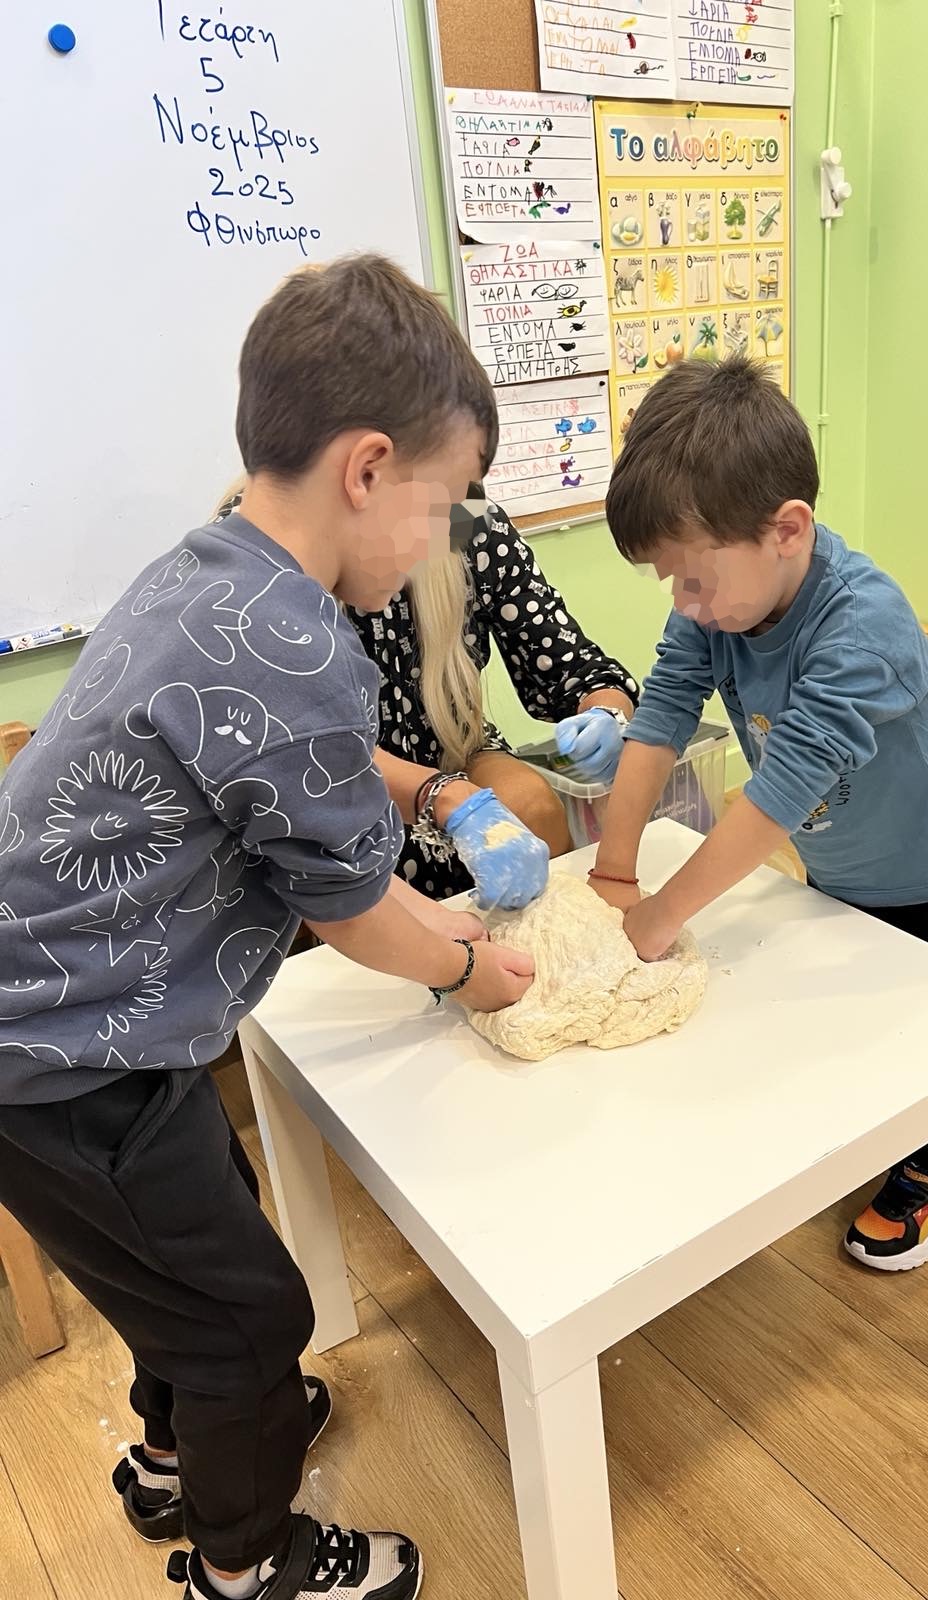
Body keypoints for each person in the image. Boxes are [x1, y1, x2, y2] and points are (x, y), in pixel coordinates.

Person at [0, 255, 537, 1600]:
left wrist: (434, 862)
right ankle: (247, 1564)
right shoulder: (300, 648)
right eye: (439, 507)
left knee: (184, 1255)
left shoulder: (205, 573)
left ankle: (175, 1460)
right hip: (67, 1061)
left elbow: (307, 814)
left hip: (85, 1031)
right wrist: (469, 968)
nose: (434, 544)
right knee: (251, 1315)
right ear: (369, 470)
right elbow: (348, 909)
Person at [589, 357, 928, 1275]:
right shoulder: (715, 610)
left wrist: (660, 913)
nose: (684, 605)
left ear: (787, 530)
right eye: (670, 584)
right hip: (840, 864)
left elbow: (780, 792)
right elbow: (660, 716)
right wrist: (614, 868)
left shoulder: (862, 622)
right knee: (862, 1027)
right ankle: (883, 1133)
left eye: (694, 581)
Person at [213, 484, 639, 901]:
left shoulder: (465, 514)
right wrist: (442, 798)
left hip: (453, 743)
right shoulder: (262, 543)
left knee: (532, 808)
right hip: (327, 782)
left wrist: (607, 714)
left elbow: (571, 661)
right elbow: (295, 752)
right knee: (345, 870)